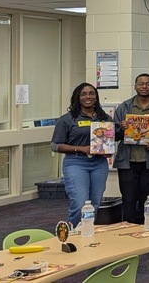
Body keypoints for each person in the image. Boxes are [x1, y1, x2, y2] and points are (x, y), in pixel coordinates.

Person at [52, 83, 114, 226]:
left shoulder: (104, 118)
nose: (88, 97)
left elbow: (109, 140)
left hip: (99, 163)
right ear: (77, 97)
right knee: (80, 204)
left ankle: (88, 234)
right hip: (76, 163)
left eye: (91, 93)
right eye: (84, 94)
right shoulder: (67, 119)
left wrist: (107, 150)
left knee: (95, 204)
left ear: (96, 97)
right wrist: (82, 149)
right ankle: (71, 235)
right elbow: (55, 146)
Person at [112, 74, 149, 224]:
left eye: (148, 84)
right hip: (127, 161)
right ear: (135, 86)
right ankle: (129, 230)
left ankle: (147, 228)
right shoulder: (125, 107)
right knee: (128, 199)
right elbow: (113, 136)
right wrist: (121, 129)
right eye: (141, 84)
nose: (144, 87)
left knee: (147, 198)